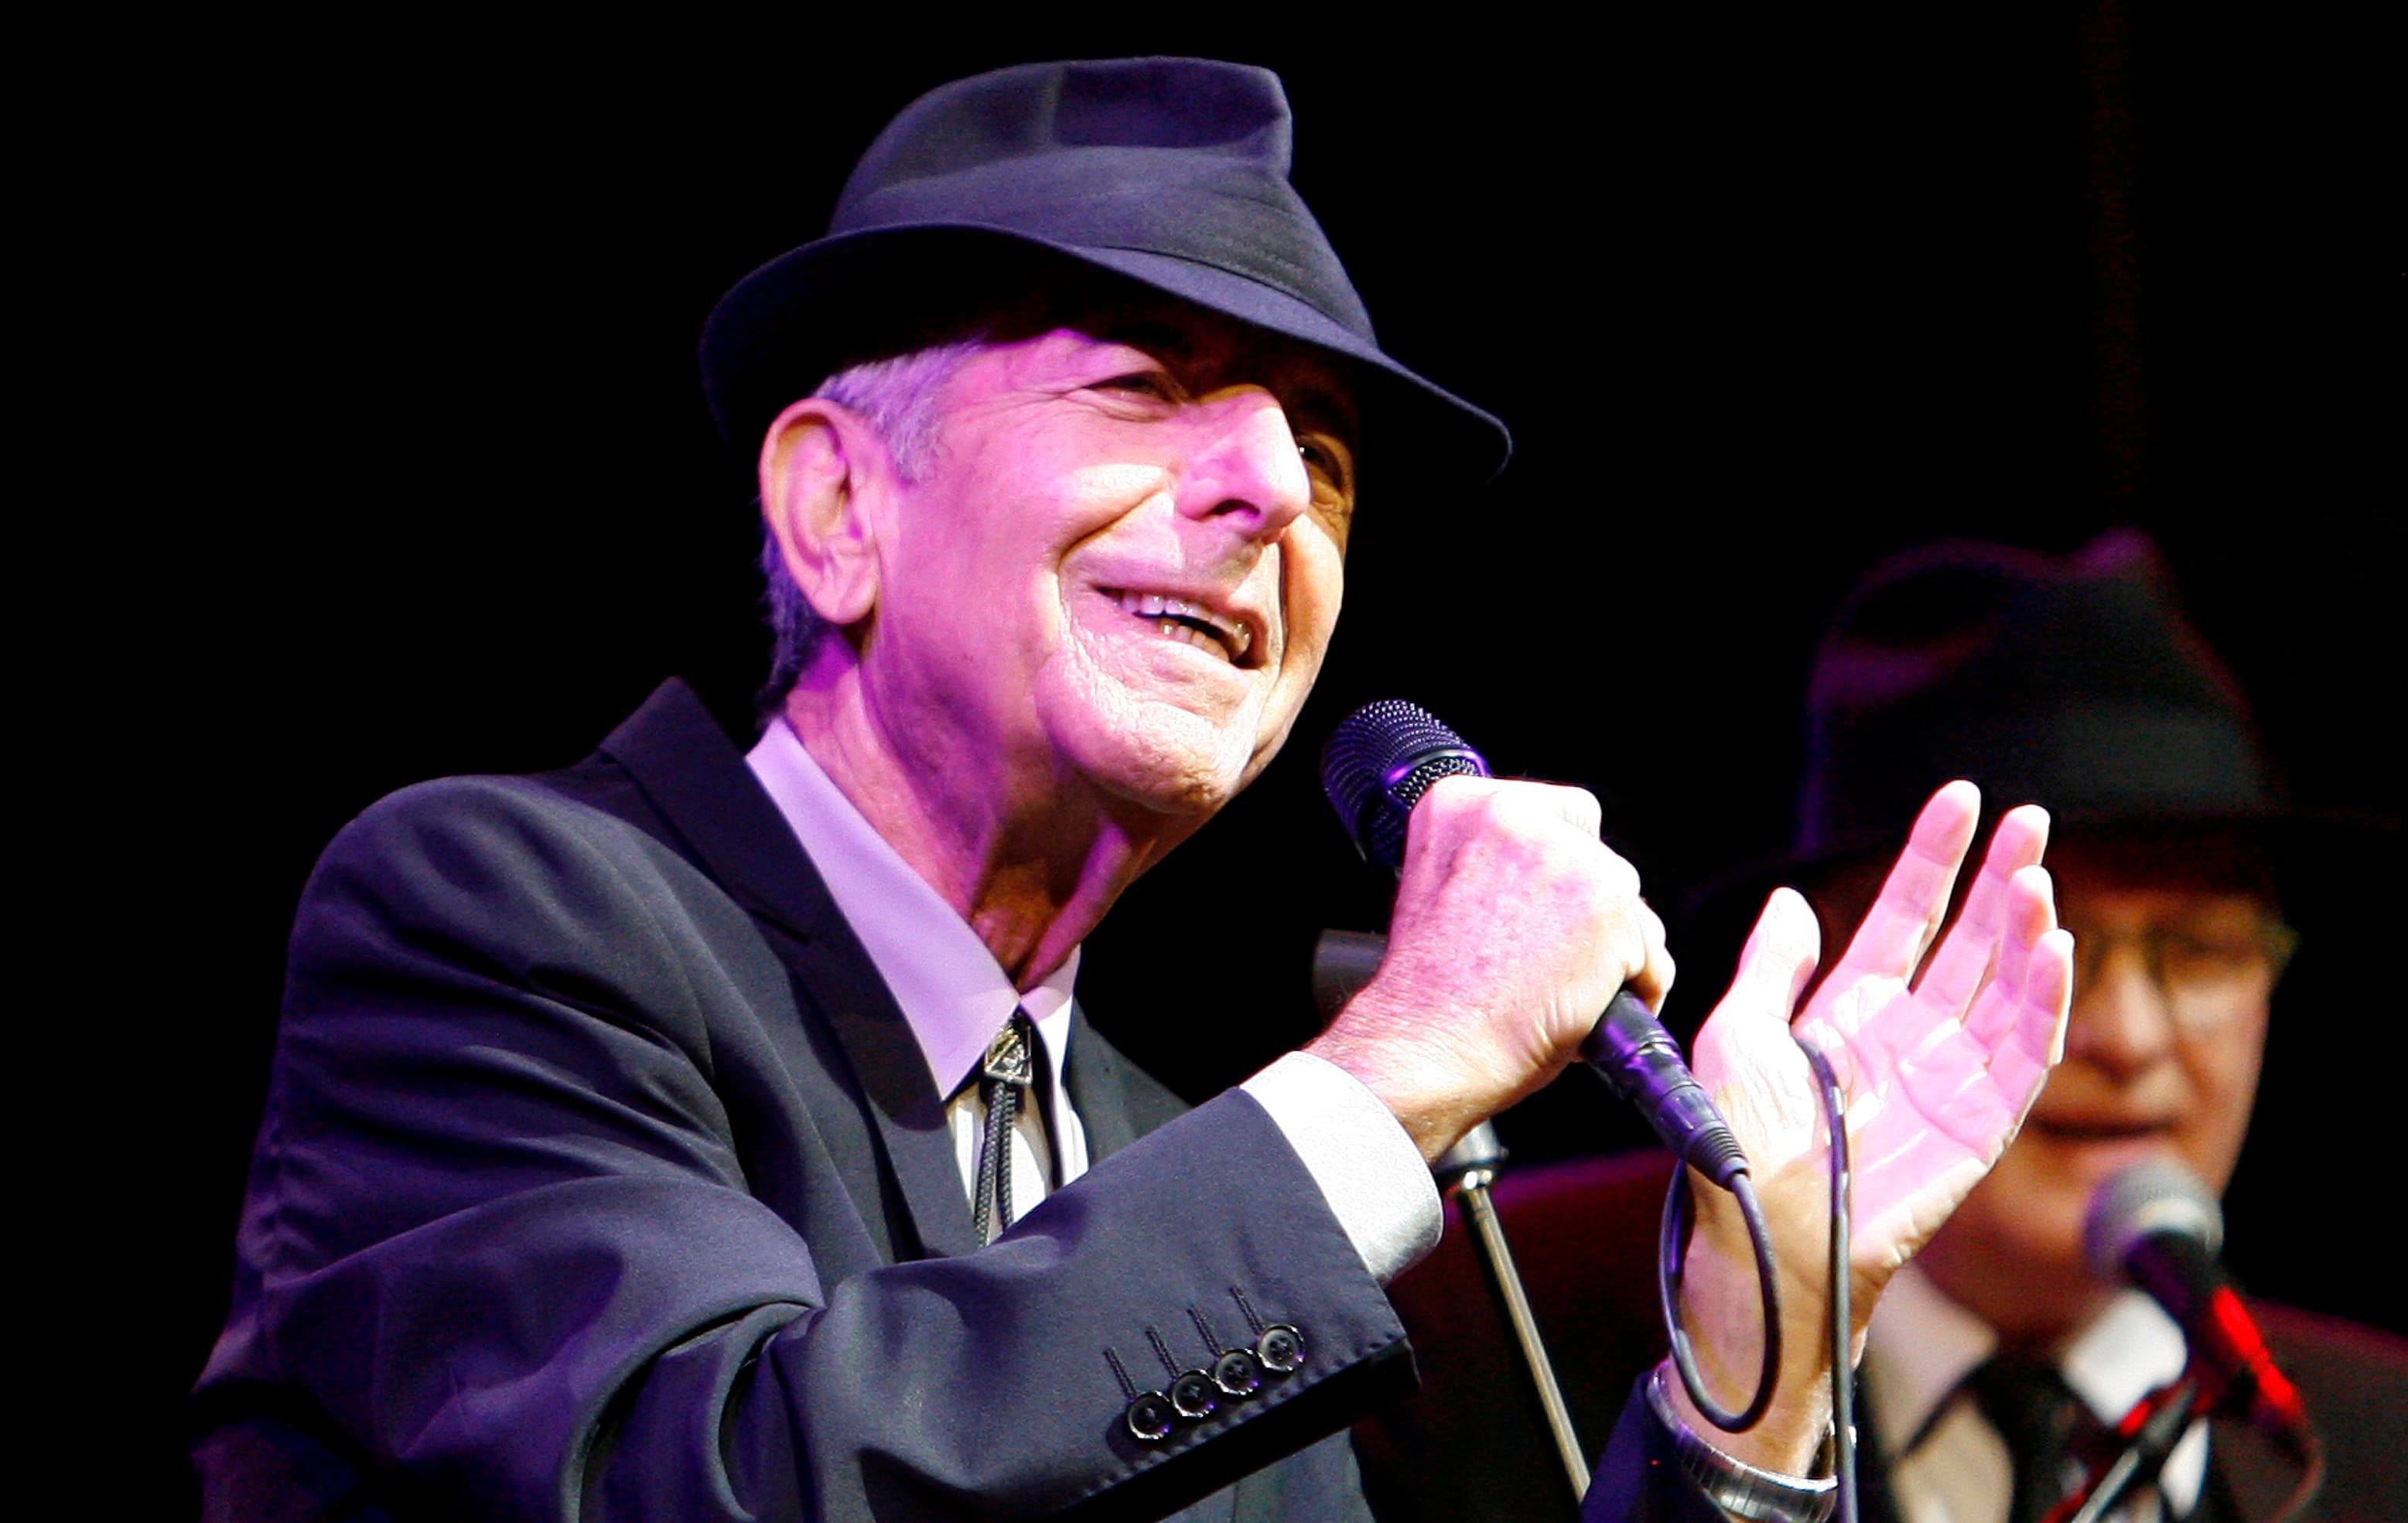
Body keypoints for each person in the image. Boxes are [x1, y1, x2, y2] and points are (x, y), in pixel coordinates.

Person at [190, 60, 2075, 1522]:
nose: (1273, 489)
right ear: (838, 505)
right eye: (1148, 386)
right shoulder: (502, 916)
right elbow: (718, 1481)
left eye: (1325, 459)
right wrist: (1391, 1073)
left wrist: (1756, 1346)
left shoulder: (1171, 1153)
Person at [1368, 532, 2408, 1522]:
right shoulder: (1462, 1350)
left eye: (2199, 951)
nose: (2128, 1035)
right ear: (1830, 966)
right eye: (2036, 951)